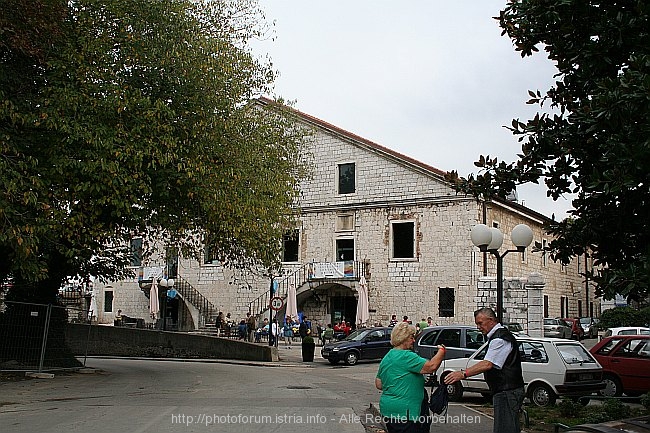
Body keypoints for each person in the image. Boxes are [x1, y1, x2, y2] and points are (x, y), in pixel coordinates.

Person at [444, 307, 525, 433]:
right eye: (477, 323)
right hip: (505, 391)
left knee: (505, 428)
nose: (478, 327)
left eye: (480, 323)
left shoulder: (499, 339)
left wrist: (463, 374)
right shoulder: (497, 337)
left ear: (491, 320)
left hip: (507, 391)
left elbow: (487, 364)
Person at [375, 322, 446, 433]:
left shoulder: (388, 356)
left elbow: (379, 384)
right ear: (403, 338)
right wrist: (441, 352)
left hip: (389, 409)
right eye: (411, 337)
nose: (413, 340)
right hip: (406, 412)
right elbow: (431, 367)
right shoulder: (406, 356)